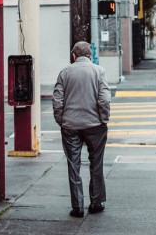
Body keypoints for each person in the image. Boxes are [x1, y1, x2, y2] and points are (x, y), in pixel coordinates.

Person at [52, 41, 111, 218]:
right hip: (95, 126)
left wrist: (62, 120)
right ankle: (96, 202)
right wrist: (104, 119)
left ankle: (77, 206)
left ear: (74, 56)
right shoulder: (99, 71)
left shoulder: (65, 72)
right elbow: (104, 100)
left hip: (70, 126)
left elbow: (57, 101)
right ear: (90, 56)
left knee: (73, 165)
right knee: (96, 163)